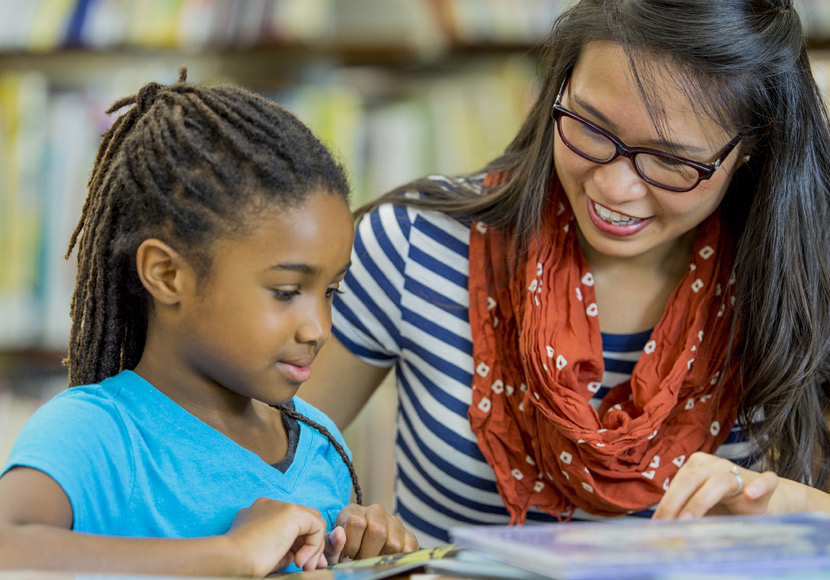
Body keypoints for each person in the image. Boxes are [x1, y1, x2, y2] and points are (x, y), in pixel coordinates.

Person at [301, 0, 830, 547]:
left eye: (671, 160)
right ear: (559, 87)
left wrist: (797, 506)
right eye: (590, 126)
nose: (613, 187)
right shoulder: (415, 245)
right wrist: (338, 538)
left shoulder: (798, 280)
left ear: (751, 147)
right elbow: (265, 480)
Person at [0, 68, 418, 576]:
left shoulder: (321, 445)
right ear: (167, 275)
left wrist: (366, 559)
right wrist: (231, 555)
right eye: (286, 292)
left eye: (331, 291)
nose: (318, 328)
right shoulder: (97, 433)